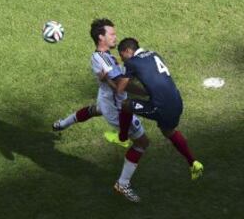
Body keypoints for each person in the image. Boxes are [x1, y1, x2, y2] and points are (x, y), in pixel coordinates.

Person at [53, 19, 150, 202]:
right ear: (101, 37)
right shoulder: (104, 60)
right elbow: (120, 87)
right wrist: (148, 92)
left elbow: (113, 82)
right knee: (142, 143)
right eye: (112, 34)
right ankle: (123, 183)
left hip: (105, 100)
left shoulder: (102, 56)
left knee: (94, 110)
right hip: (116, 108)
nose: (115, 37)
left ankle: (62, 123)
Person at [115, 37, 204, 181]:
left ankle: (122, 138)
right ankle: (193, 163)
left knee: (125, 104)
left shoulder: (131, 63)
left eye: (121, 55)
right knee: (168, 131)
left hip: (160, 107)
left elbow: (120, 89)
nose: (122, 59)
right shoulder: (154, 54)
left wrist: (108, 78)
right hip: (177, 102)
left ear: (127, 51)